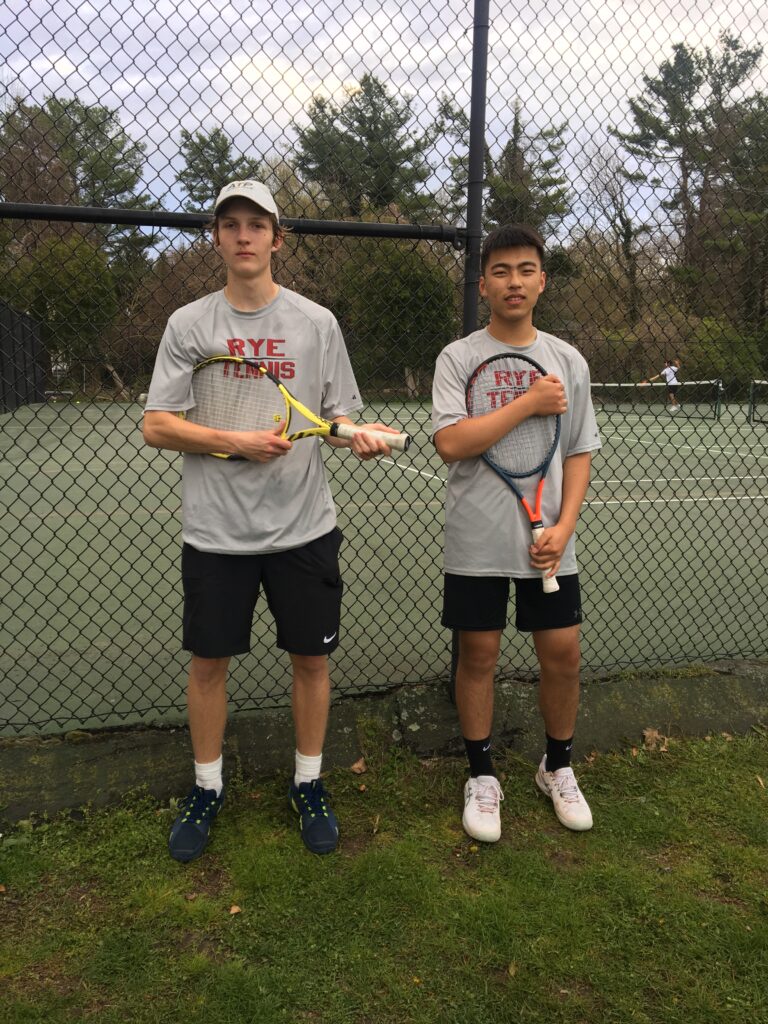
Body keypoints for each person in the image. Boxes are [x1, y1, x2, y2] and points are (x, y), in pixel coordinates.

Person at [142, 179, 400, 862]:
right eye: (232, 224)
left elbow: (337, 416)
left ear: (278, 239)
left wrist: (359, 435)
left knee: (310, 661)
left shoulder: (316, 323)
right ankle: (206, 789)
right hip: (215, 534)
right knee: (208, 667)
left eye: (258, 224)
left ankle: (308, 783)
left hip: (303, 530)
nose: (245, 235)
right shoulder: (189, 326)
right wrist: (233, 441)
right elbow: (157, 425)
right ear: (217, 239)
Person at [431, 224, 602, 843]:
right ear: (483, 284)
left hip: (550, 543)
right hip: (475, 538)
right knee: (479, 656)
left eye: (526, 270)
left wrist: (563, 526)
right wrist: (528, 404)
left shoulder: (568, 360)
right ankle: (482, 776)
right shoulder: (458, 357)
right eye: (501, 271)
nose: (514, 282)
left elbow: (580, 450)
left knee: (564, 655)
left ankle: (557, 766)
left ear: (542, 281)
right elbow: (452, 443)